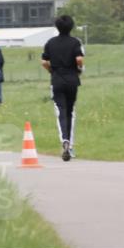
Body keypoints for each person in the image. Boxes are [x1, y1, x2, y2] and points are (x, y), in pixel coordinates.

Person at [41, 16, 85, 162]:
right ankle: (70, 146)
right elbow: (79, 59)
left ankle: (64, 141)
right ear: (71, 27)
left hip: (57, 80)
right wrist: (78, 69)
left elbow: (44, 62)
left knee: (61, 111)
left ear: (57, 27)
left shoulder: (50, 43)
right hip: (72, 80)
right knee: (71, 112)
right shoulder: (75, 42)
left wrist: (51, 70)